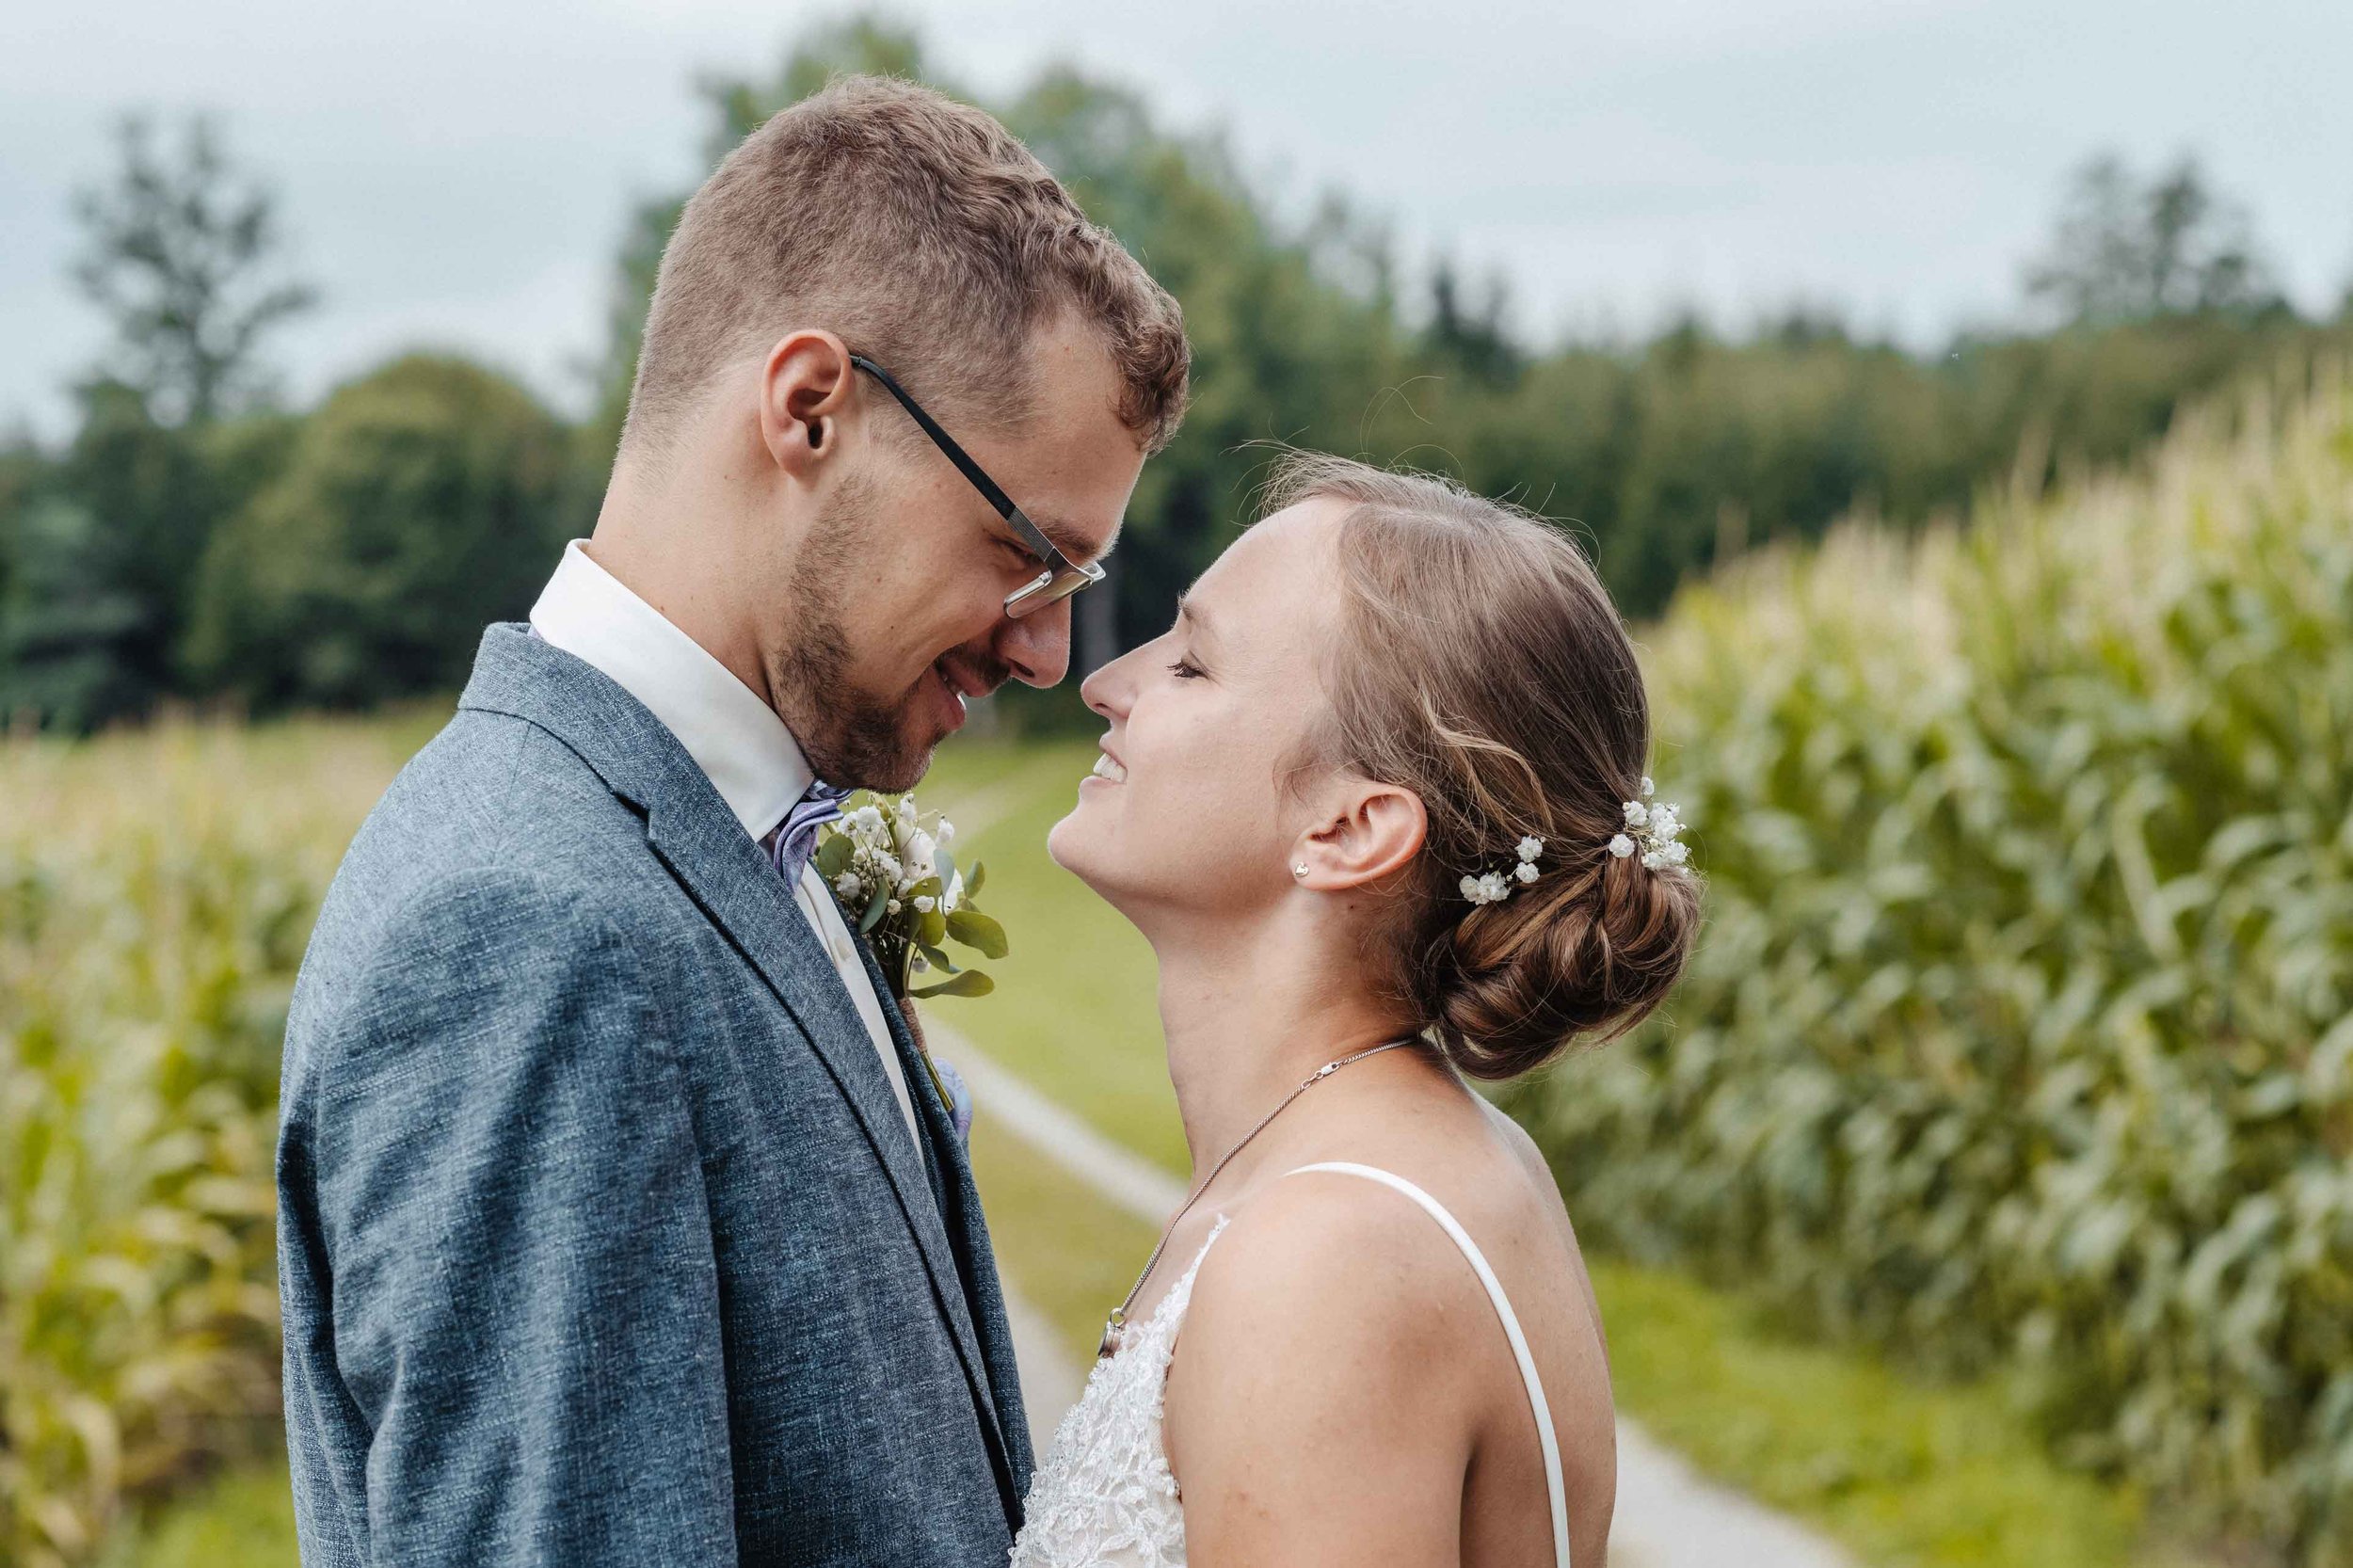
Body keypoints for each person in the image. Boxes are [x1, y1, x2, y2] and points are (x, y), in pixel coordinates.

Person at [274, 76, 1188, 1565]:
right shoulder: (529, 927)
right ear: (811, 407)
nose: (1044, 654)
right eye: (1030, 556)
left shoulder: (723, 835)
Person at [1014, 455, 1702, 1567]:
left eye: (1190, 663)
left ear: (1348, 829)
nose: (1106, 684)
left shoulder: (1327, 1258)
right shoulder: (1421, 1165)